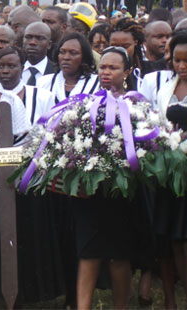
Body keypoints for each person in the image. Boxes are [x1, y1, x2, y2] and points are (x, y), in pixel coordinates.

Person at [0, 46, 59, 304]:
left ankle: (29, 292)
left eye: (12, 66)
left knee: (26, 234)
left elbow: (50, 137)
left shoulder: (42, 96)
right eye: (1, 66)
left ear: (23, 68)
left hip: (30, 178)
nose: (6, 71)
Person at [72, 46, 138, 310]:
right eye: (103, 67)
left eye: (114, 68)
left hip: (122, 191)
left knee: (119, 256)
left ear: (128, 72)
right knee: (88, 253)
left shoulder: (136, 103)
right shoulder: (86, 101)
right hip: (89, 191)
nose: (106, 72)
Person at [155, 29, 187, 310]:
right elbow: (160, 126)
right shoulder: (165, 90)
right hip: (172, 175)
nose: (182, 67)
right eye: (177, 60)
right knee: (177, 241)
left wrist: (182, 146)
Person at [37, 33, 99, 103]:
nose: (66, 57)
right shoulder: (43, 83)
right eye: (62, 52)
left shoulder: (97, 84)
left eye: (73, 53)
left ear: (84, 57)